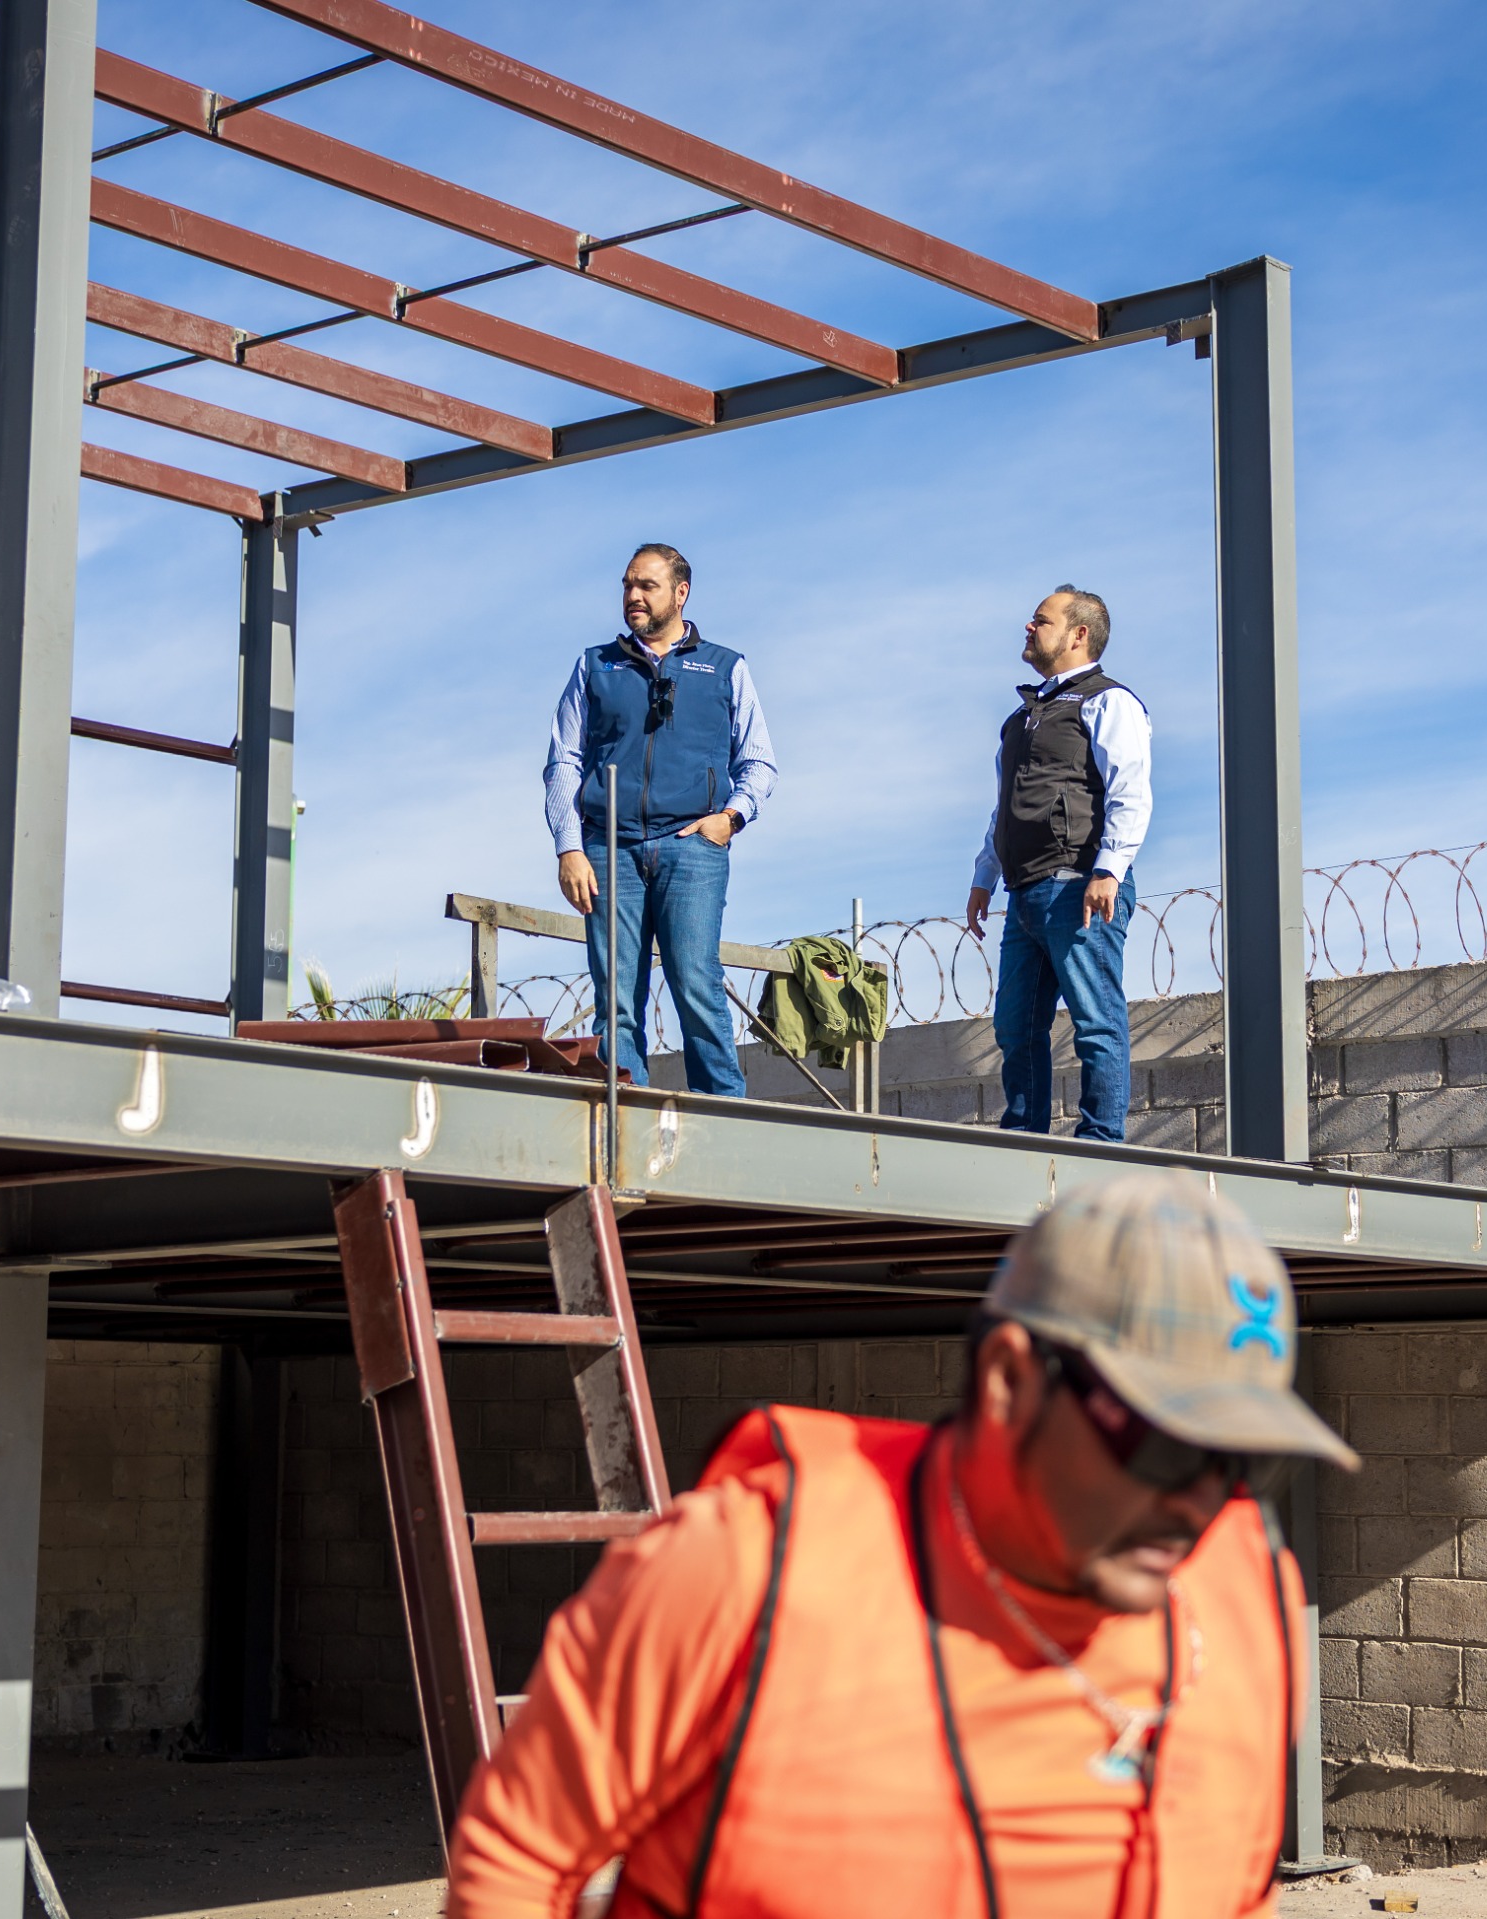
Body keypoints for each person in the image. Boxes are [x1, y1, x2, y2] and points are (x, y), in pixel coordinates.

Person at [447, 1171, 1357, 1918]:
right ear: (1008, 1378)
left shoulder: (1251, 1596)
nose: (1201, 1500)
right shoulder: (744, 1566)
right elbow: (517, 1866)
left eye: (1240, 1457)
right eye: (1162, 1441)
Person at [543, 544, 776, 1096]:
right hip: (608, 852)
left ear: (680, 593)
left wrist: (731, 819)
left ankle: (724, 1118)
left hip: (692, 846)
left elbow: (759, 762)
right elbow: (563, 760)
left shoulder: (724, 666)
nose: (633, 597)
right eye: (627, 585)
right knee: (616, 1001)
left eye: (646, 586)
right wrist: (569, 846)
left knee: (697, 987)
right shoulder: (595, 665)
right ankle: (624, 1119)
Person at [965, 585, 1151, 1142]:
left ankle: (1101, 1139)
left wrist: (1108, 870)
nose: (1028, 627)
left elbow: (1130, 793)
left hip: (1078, 884)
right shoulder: (1020, 719)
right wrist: (984, 877)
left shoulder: (1108, 701)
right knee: (1015, 1027)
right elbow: (1007, 806)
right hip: (1023, 894)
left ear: (1078, 634)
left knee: (1094, 1021)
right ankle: (1025, 1134)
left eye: (1040, 620)